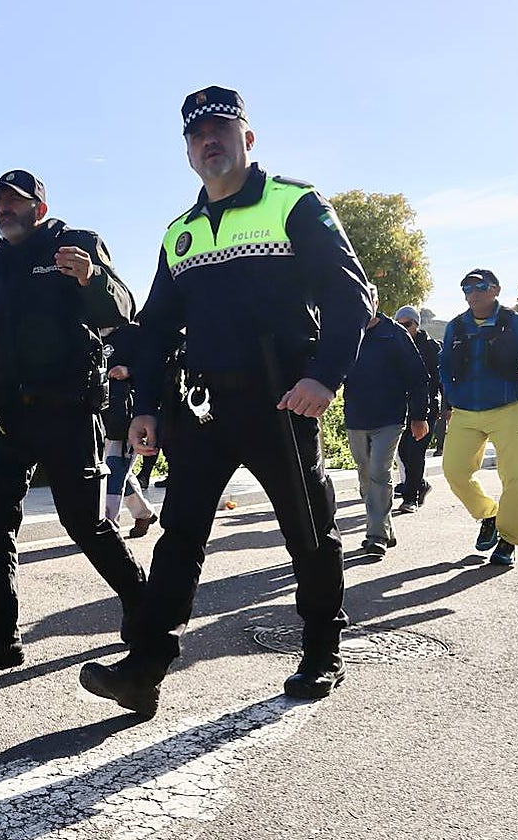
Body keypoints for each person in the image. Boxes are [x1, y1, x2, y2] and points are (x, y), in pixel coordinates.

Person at [79, 86, 373, 718]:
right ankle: (147, 665)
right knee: (179, 536)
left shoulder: (294, 203)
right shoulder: (180, 234)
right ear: (188, 152)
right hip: (203, 410)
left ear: (248, 137)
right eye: (196, 135)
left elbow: (353, 296)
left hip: (284, 401)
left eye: (221, 128)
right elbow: (155, 329)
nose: (209, 141)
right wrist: (146, 409)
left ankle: (322, 647)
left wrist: (325, 377)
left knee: (308, 529)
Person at [0, 169, 148, 675]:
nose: (4, 211)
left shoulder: (75, 245)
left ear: (39, 207)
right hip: (7, 417)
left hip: (67, 410)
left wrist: (90, 277)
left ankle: (144, 605)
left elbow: (122, 309)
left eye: (14, 203)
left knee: (83, 522)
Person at [439, 269, 518, 566]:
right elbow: (444, 367)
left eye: (480, 286)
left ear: (496, 289)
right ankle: (489, 514)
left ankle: (508, 540)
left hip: (510, 408)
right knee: (454, 472)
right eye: (466, 288)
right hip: (466, 411)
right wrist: (451, 399)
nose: (473, 293)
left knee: (516, 478)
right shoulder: (456, 326)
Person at [343, 289, 429, 556]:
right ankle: (385, 527)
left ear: (376, 302)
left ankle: (376, 535)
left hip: (389, 418)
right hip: (356, 416)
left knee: (379, 470)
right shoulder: (346, 331)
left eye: (368, 299)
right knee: (365, 473)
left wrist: (419, 416)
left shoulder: (395, 334)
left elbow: (418, 376)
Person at [102, 323, 156, 537]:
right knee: (118, 469)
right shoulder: (89, 333)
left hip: (127, 415)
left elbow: (154, 367)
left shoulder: (132, 334)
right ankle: (143, 512)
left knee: (115, 469)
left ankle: (108, 527)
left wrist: (129, 371)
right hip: (99, 414)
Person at [393, 305, 443, 512]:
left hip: (426, 408)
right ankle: (420, 485)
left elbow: (441, 379)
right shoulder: (395, 344)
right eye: (399, 324)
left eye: (408, 324)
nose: (404, 328)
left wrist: (447, 407)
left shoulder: (431, 347)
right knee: (403, 451)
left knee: (416, 452)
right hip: (402, 408)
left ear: (417, 324)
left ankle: (411, 497)